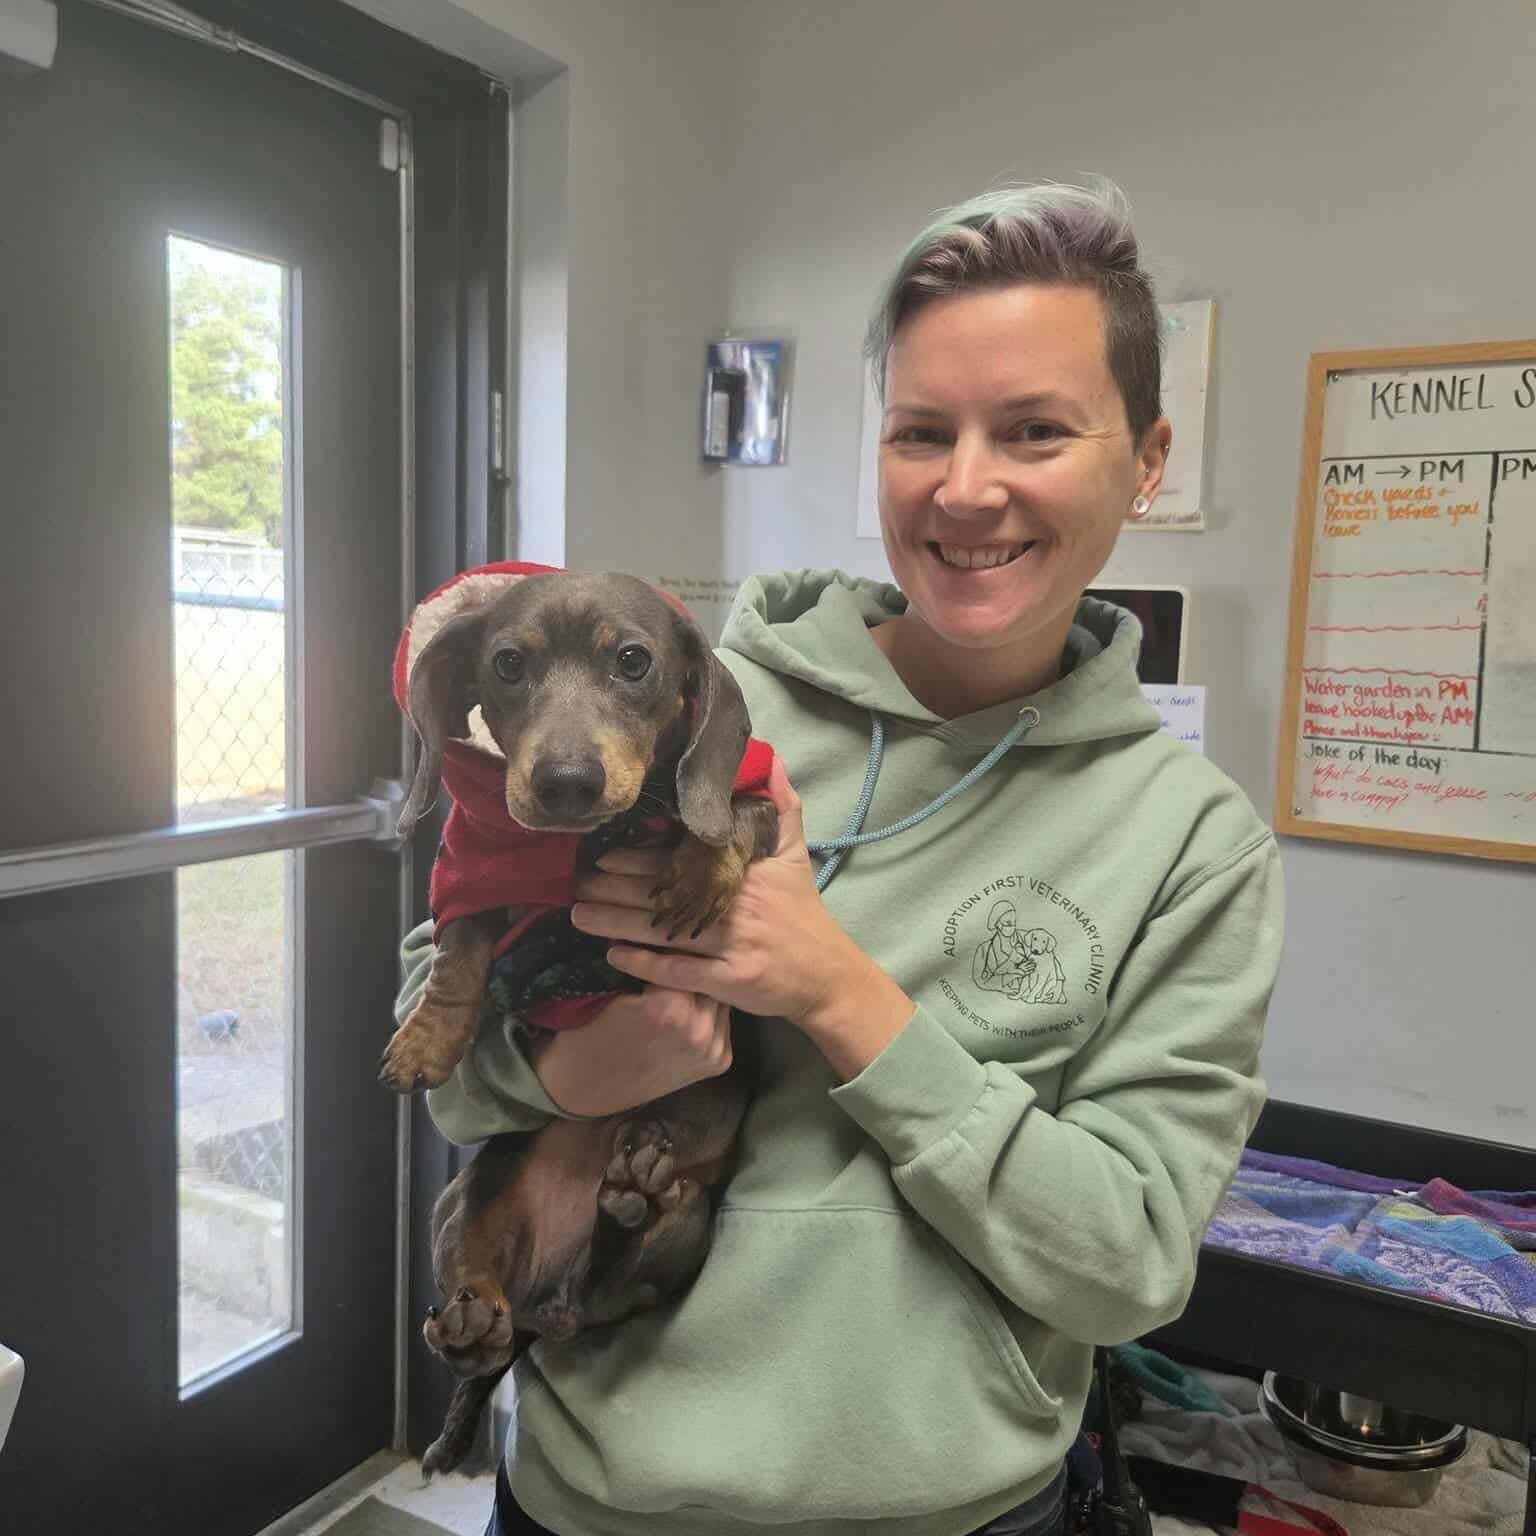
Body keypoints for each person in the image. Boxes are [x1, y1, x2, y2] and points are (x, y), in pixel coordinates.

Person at [395, 178, 1285, 1536]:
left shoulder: (1194, 843)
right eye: (922, 432)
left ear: (1148, 459)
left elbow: (1128, 1267)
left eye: (1036, 430)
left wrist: (835, 991)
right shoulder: (679, 708)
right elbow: (443, 1045)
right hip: (593, 1502)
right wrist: (566, 1070)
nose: (967, 488)